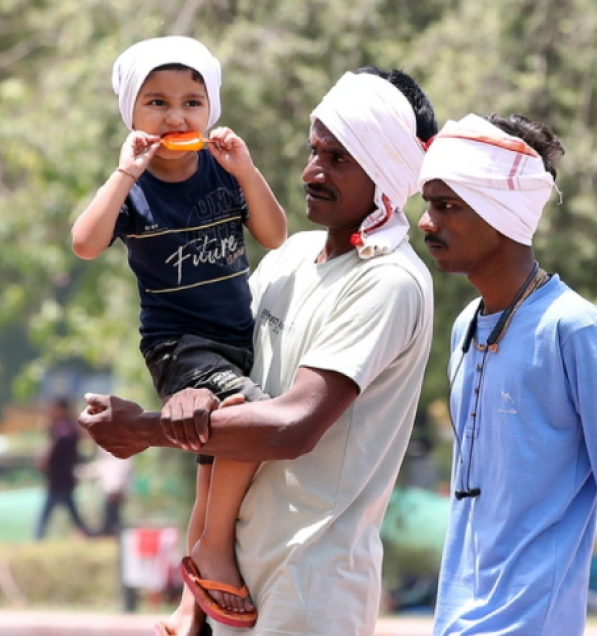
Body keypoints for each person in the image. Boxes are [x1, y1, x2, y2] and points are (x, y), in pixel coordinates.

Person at [79, 66, 438, 636]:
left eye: (339, 159)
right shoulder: (290, 258)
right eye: (314, 151)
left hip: (314, 583)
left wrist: (146, 429)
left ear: (387, 172)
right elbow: (224, 399)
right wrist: (197, 605)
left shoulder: (387, 281)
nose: (312, 172)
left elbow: (291, 426)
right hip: (235, 587)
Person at [71, 35, 287, 624]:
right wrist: (122, 172)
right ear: (132, 114)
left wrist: (246, 169)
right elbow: (84, 243)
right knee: (247, 411)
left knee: (215, 465)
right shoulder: (133, 188)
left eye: (192, 102)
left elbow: (274, 235)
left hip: (235, 339)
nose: (176, 115)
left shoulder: (222, 169)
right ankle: (215, 549)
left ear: (211, 110)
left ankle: (190, 606)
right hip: (178, 347)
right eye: (157, 102)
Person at [417, 113, 597, 635]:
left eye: (446, 205)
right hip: (454, 620)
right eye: (428, 204)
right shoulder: (463, 326)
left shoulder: (574, 329)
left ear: (503, 211)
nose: (427, 222)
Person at [35, 396, 93, 540]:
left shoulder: (64, 429)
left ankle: (38, 538)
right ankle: (88, 534)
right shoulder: (68, 428)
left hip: (60, 478)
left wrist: (46, 459)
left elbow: (56, 449)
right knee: (71, 513)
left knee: (46, 515)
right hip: (62, 478)